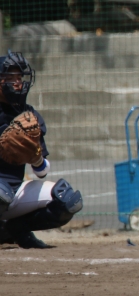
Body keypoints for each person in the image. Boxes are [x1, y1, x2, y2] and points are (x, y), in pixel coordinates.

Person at [0, 51, 84, 248]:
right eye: (10, 78)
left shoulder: (28, 116)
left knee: (67, 200)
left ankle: (14, 230)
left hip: (13, 192)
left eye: (19, 77)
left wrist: (35, 157)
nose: (17, 83)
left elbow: (42, 172)